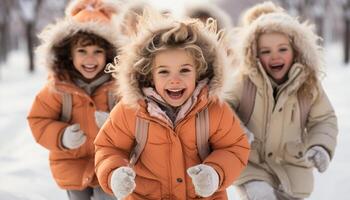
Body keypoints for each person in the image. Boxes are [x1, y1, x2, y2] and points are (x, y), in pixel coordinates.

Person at [94, 9, 250, 200]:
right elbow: (109, 147)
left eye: (184, 70)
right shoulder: (130, 111)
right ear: (149, 75)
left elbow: (234, 147)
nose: (174, 80)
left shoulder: (214, 110)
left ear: (199, 73)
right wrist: (114, 173)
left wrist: (215, 172)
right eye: (164, 72)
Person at [226, 2, 338, 200]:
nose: (274, 56)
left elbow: (324, 119)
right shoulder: (244, 81)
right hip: (251, 165)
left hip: (291, 169)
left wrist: (319, 146)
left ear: (297, 50)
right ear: (254, 54)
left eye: (282, 49)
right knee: (261, 196)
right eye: (265, 51)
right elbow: (222, 107)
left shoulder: (308, 85)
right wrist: (237, 130)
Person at [27, 0, 122, 199]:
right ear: (70, 54)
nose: (90, 59)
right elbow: (38, 119)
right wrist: (61, 136)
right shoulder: (58, 88)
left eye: (98, 52)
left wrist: (115, 126)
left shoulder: (119, 87)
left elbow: (137, 119)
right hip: (72, 163)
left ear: (109, 54)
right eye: (82, 52)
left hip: (111, 162)